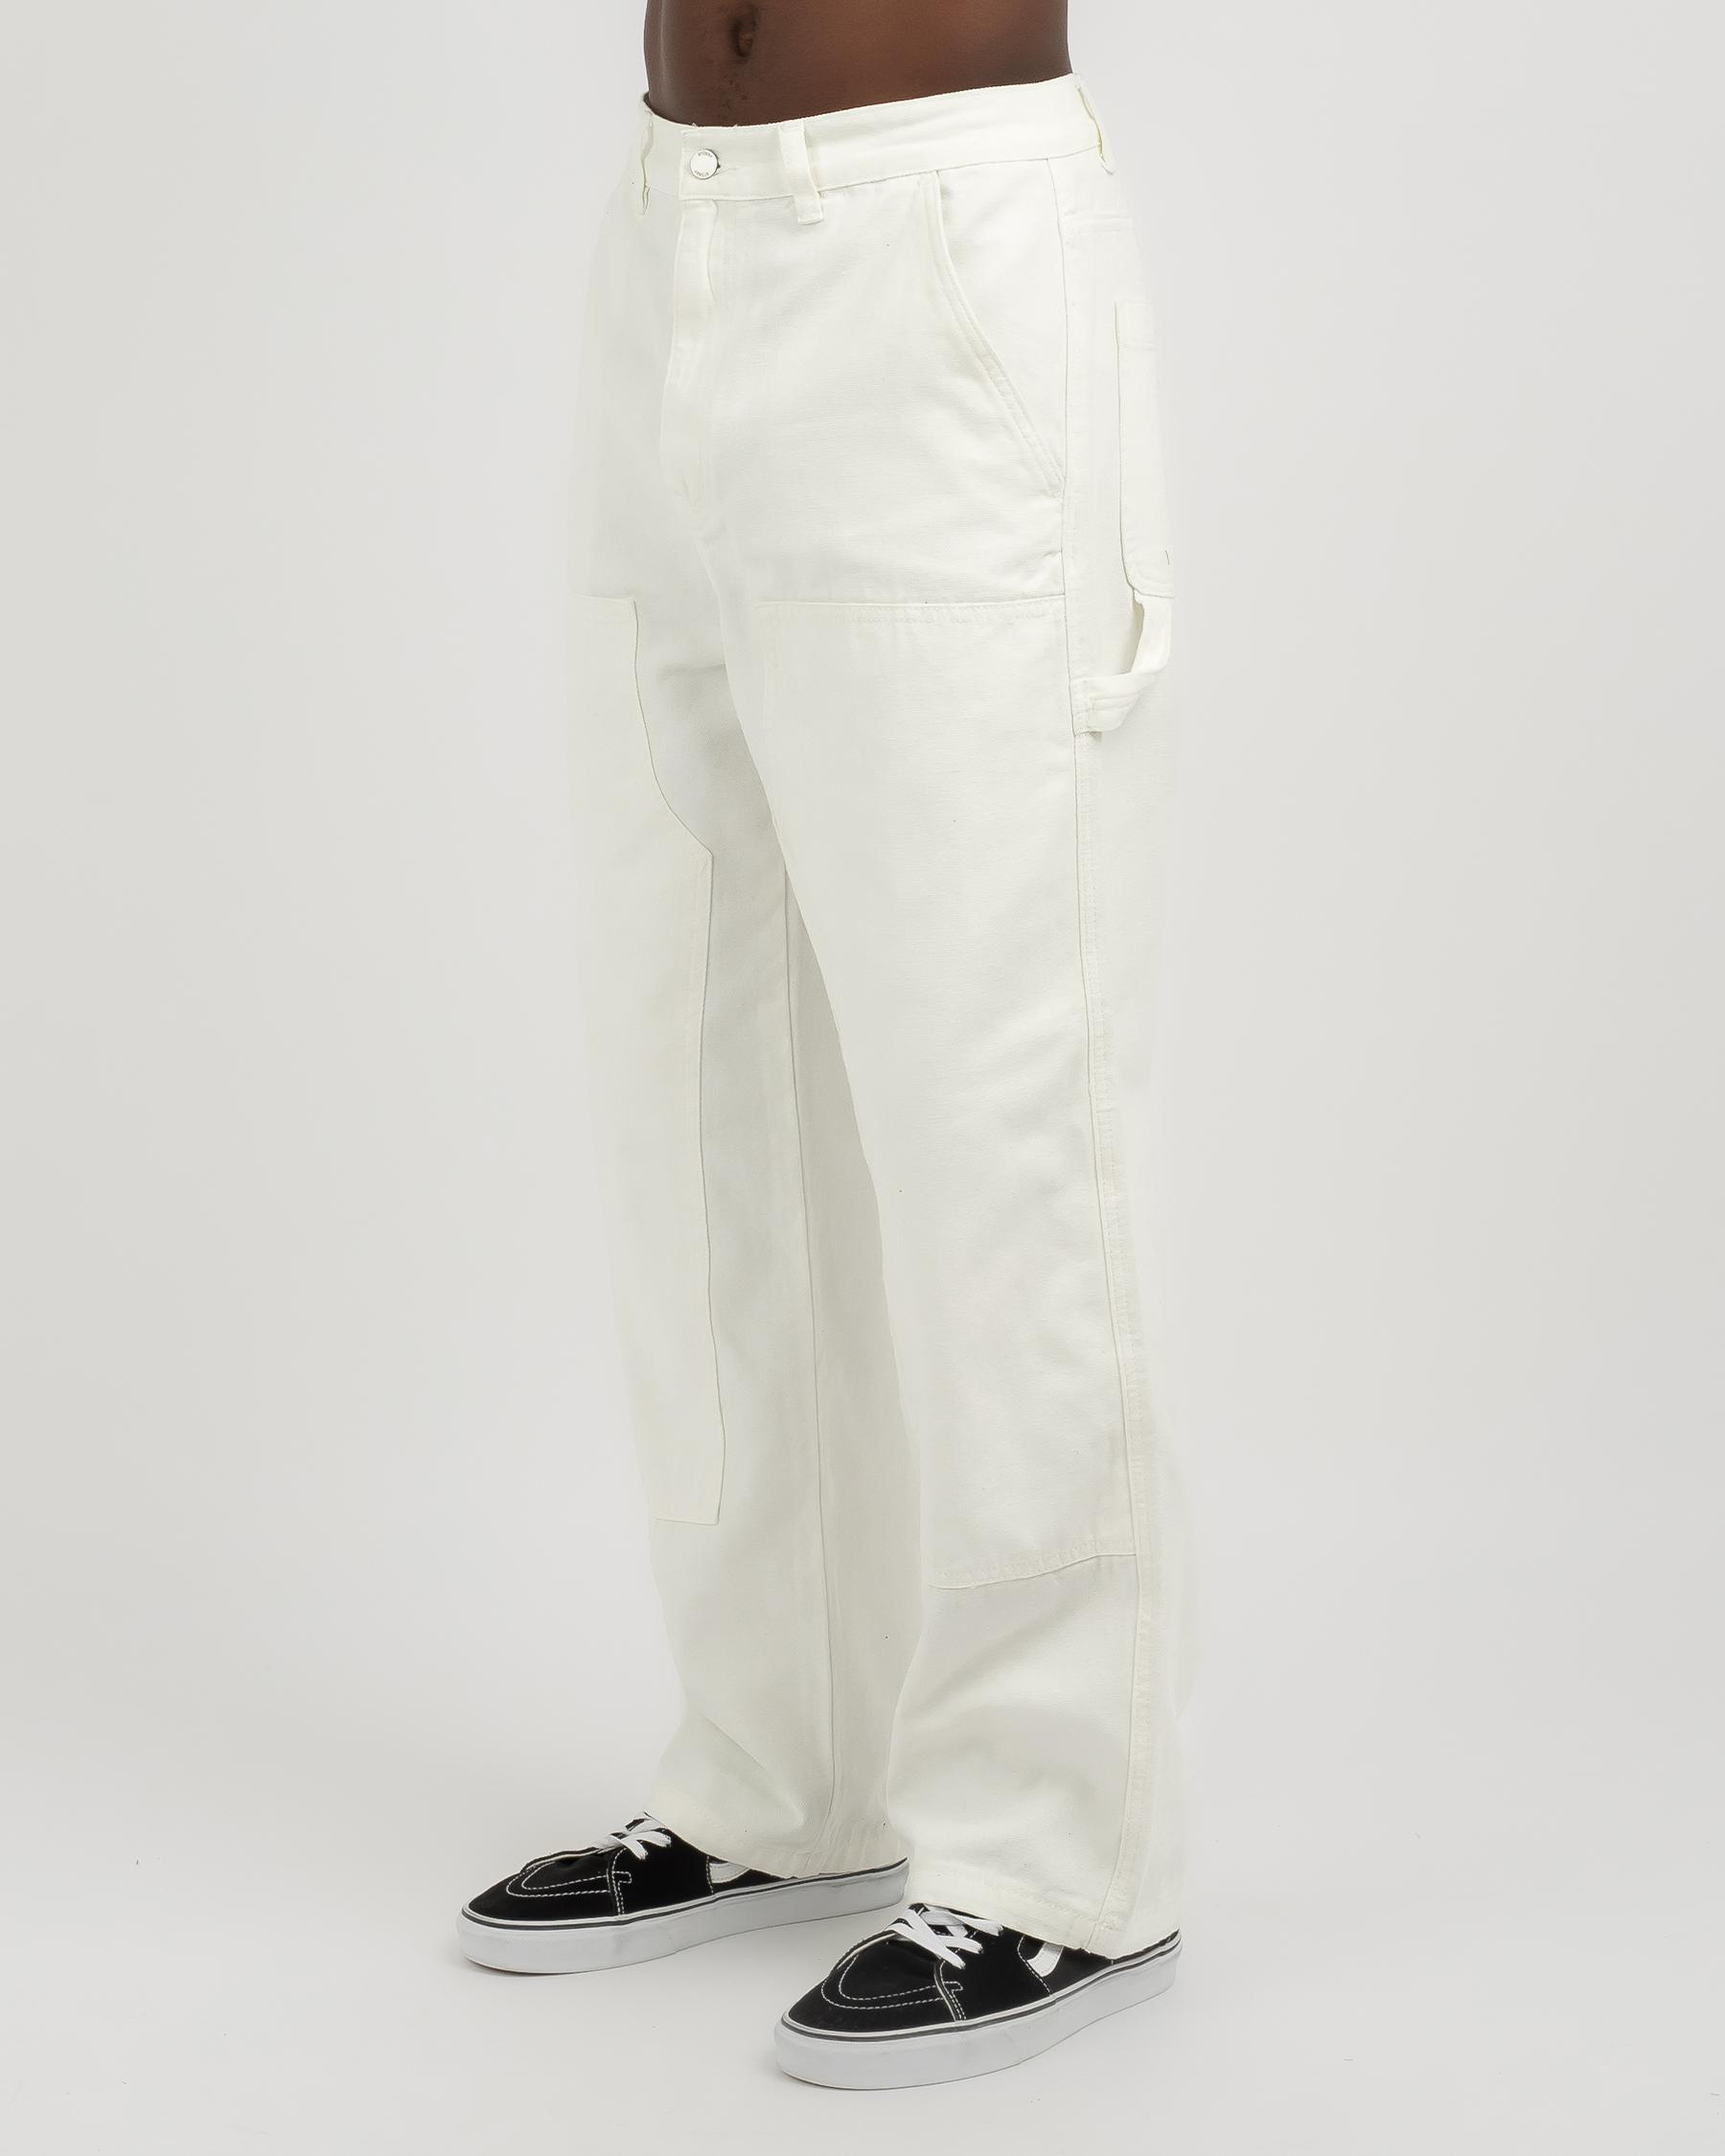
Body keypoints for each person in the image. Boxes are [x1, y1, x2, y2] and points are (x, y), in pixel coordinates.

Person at [458, 0, 1190, 2089]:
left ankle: (1065, 1857)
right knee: (704, 1086)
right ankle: (783, 1773)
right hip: (666, 249)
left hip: (937, 258)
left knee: (998, 1101)